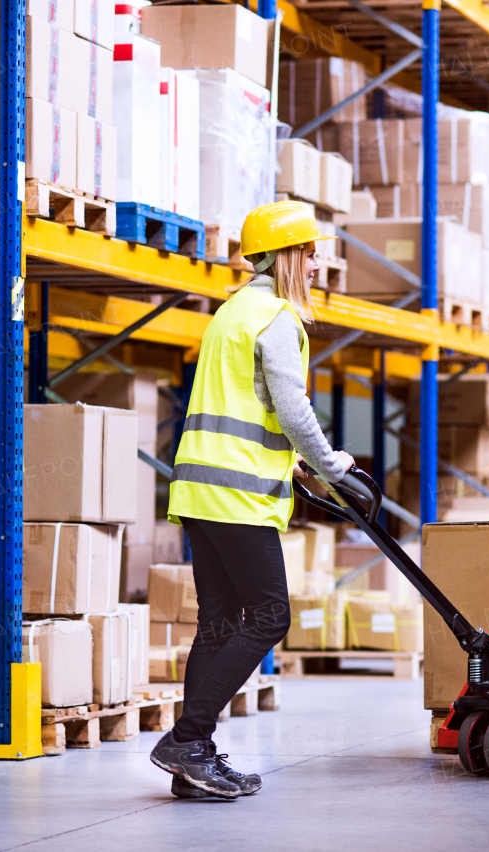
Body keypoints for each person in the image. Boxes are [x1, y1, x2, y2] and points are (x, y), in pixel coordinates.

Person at [149, 201, 354, 800]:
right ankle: (188, 739)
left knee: (217, 624)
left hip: (199, 488)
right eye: (311, 253)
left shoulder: (233, 311)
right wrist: (332, 464)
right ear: (289, 256)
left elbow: (249, 406)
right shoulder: (278, 318)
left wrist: (292, 460)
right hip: (237, 494)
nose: (317, 264)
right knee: (270, 616)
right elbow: (292, 410)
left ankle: (196, 760)